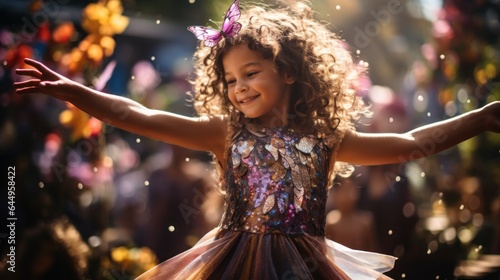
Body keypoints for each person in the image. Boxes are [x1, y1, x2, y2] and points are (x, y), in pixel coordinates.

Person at [13, 1, 500, 279]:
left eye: (251, 72)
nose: (239, 87)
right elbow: (136, 113)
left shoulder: (326, 139)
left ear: (288, 71)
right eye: (229, 80)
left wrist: (478, 119)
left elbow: (408, 142)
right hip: (234, 260)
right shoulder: (225, 134)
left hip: (310, 264)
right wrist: (74, 91)